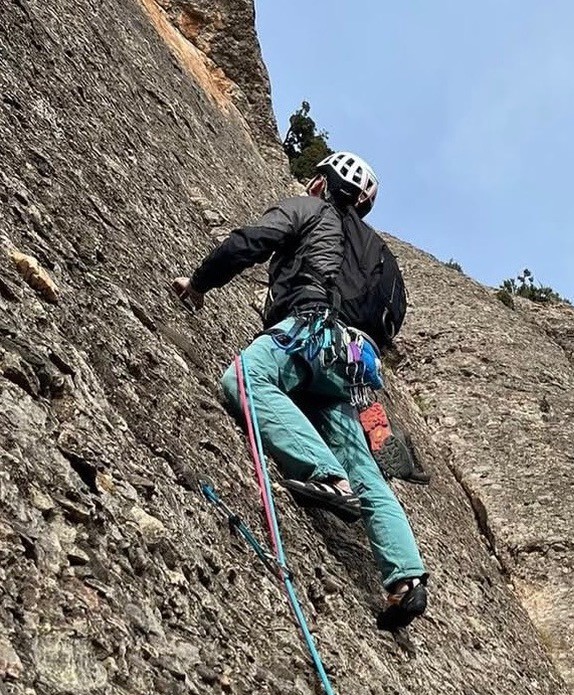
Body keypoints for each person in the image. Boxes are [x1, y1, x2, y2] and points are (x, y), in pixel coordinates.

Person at [172, 151, 428, 630]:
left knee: (245, 378)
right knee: (364, 467)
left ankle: (324, 475)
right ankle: (407, 577)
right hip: (356, 367)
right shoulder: (383, 259)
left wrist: (200, 283)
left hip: (312, 331)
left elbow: (252, 241)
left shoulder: (311, 209)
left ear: (324, 184)